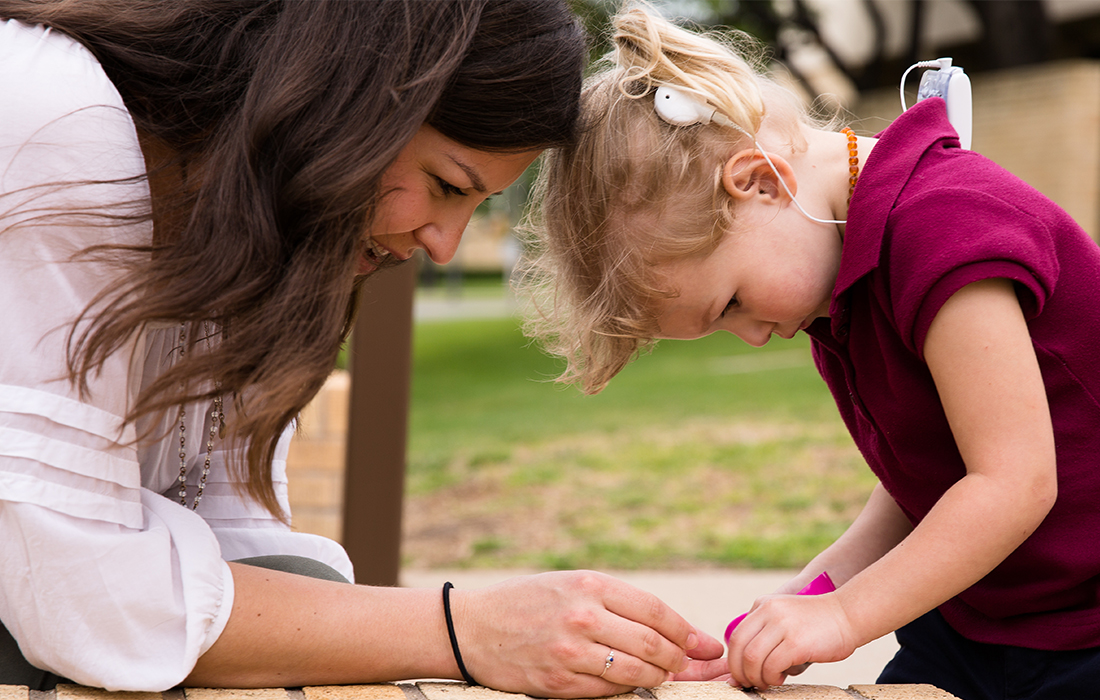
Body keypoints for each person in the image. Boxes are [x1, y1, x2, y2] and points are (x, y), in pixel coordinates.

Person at [0, 1, 726, 695]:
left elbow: (233, 544)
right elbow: (86, 598)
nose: (444, 245)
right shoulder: (58, 122)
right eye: (445, 186)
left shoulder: (237, 219)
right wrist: (465, 630)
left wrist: (524, 632)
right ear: (349, 103)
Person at [517, 5, 1100, 699]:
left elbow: (1011, 483)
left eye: (729, 304)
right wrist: (807, 596)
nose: (755, 332)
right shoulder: (840, 286)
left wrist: (846, 614)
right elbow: (933, 474)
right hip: (984, 624)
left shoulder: (945, 226)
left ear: (760, 182)